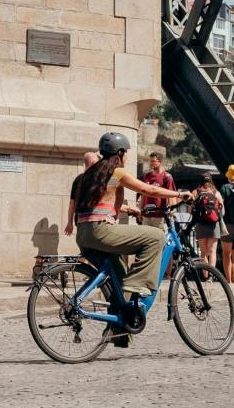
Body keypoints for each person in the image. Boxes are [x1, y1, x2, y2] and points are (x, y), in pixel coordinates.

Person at [67, 132, 189, 319]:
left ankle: (121, 329)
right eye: (127, 153)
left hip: (83, 234)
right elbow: (148, 189)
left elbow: (106, 195)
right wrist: (180, 195)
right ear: (121, 152)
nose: (127, 156)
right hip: (100, 231)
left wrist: (129, 209)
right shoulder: (117, 172)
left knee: (119, 280)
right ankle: (139, 284)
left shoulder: (94, 174)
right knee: (156, 236)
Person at [189, 174, 223, 266]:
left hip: (200, 224)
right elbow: (222, 211)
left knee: (203, 252)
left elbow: (190, 210)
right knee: (212, 251)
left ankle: (205, 275)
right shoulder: (216, 192)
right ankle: (211, 277)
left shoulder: (195, 192)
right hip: (214, 224)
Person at [136, 152, 175, 228]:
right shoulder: (147, 176)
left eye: (153, 161)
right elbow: (143, 194)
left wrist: (172, 210)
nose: (151, 163)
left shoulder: (167, 177)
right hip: (146, 214)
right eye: (150, 161)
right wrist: (141, 210)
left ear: (160, 162)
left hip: (159, 215)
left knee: (159, 237)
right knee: (146, 237)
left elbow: (171, 194)